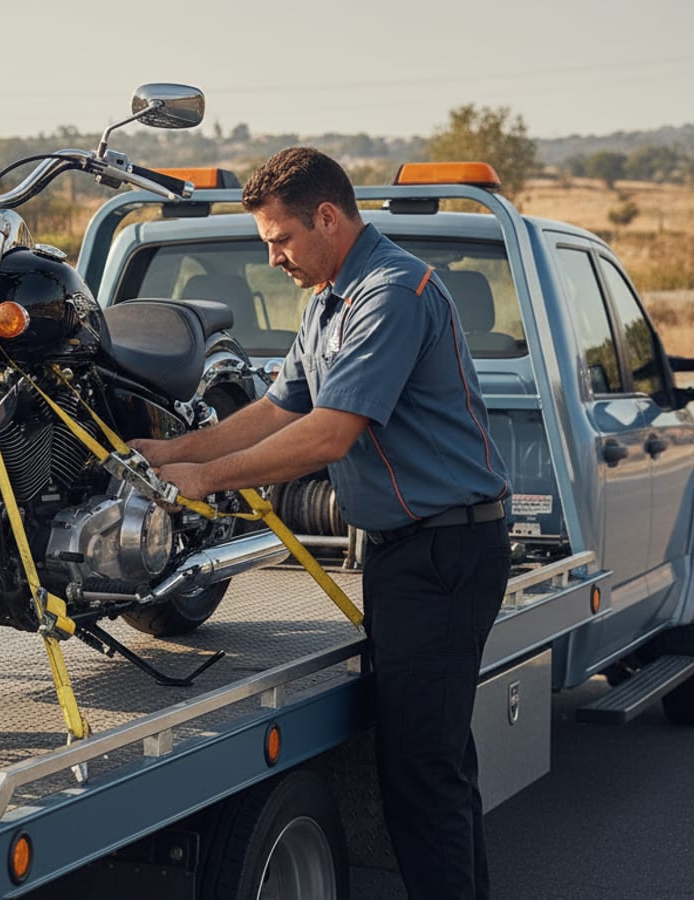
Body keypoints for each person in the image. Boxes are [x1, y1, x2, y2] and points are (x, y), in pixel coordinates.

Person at [130, 147, 512, 899]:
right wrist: (170, 449)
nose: (273, 258)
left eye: (281, 240)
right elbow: (279, 408)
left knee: (419, 780)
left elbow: (330, 432)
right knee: (436, 764)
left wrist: (203, 478)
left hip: (446, 553)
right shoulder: (331, 299)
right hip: (412, 555)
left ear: (328, 218)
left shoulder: (391, 292)